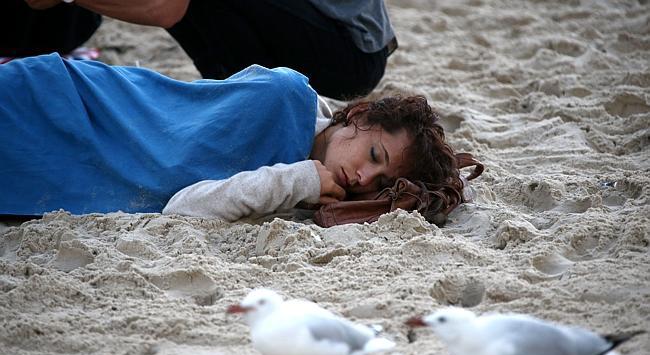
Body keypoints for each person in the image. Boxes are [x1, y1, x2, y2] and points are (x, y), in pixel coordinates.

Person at [0, 53, 462, 222]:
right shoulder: (281, 98)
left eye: (380, 180)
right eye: (374, 153)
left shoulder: (313, 175)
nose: (363, 176)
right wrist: (293, 181)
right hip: (52, 110)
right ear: (357, 116)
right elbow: (182, 203)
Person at [4, 0, 398, 100]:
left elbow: (164, 8)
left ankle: (231, 97)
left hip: (348, 49)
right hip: (353, 43)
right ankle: (230, 94)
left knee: (194, 6)